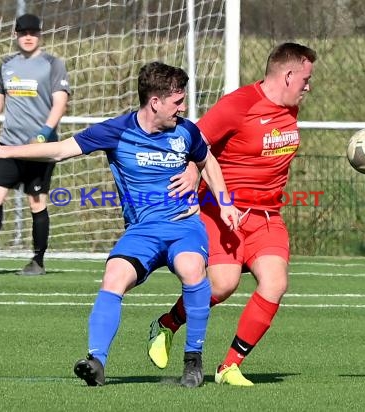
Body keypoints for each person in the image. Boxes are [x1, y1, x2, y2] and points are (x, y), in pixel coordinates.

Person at [0, 61, 239, 388]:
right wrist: (2, 152)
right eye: (177, 102)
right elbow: (59, 150)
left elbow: (206, 158)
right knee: (114, 276)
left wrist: (224, 203)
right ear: (155, 102)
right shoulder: (117, 130)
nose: (182, 109)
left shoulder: (186, 131)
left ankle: (193, 360)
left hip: (184, 225)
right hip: (142, 232)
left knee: (191, 269)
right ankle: (96, 361)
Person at [147, 42, 317, 386]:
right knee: (223, 285)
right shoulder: (239, 105)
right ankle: (167, 324)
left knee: (275, 283)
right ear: (287, 75)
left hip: (267, 216)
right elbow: (196, 142)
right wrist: (194, 174)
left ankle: (229, 366)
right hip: (221, 211)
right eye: (305, 78)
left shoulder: (290, 109)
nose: (309, 86)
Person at [0, 13, 71, 276]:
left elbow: (60, 102)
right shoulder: (7, 64)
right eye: (23, 33)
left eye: (33, 32)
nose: (28, 37)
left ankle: (38, 262)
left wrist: (45, 132)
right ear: (16, 35)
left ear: (39, 34)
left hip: (39, 149)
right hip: (6, 146)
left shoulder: (53, 64)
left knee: (36, 202)